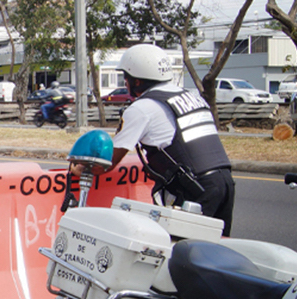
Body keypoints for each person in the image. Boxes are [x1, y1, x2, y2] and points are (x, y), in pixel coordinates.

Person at [87, 44, 235, 236]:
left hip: (197, 189)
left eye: (126, 77)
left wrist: (82, 167)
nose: (125, 82)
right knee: (216, 251)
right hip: (225, 181)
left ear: (137, 81)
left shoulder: (142, 108)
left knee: (183, 254)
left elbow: (107, 163)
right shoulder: (191, 97)